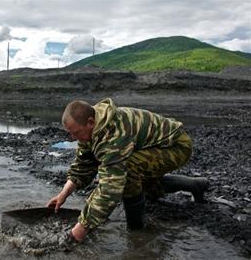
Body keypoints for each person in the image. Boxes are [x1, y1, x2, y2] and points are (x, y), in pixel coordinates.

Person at [47, 98, 208, 242]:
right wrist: (64, 194)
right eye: (71, 134)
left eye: (75, 133)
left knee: (128, 172)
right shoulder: (90, 127)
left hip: (176, 146)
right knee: (143, 184)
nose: (74, 139)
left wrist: (82, 228)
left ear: (90, 122)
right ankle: (196, 185)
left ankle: (136, 231)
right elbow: (83, 163)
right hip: (150, 147)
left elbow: (110, 188)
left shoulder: (114, 135)